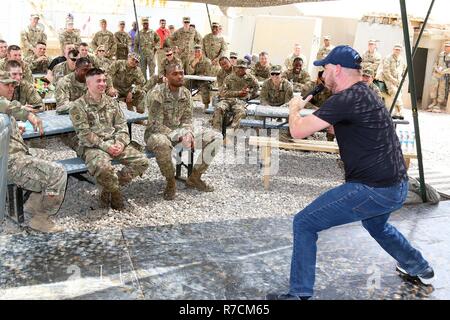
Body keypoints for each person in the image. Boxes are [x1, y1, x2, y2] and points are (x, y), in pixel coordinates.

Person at [266, 45, 434, 300]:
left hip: (374, 189)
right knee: (376, 224)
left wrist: (294, 109)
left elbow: (297, 131)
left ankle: (299, 294)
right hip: (397, 186)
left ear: (336, 69)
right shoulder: (366, 92)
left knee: (304, 223)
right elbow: (339, 124)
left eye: (325, 69)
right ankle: (419, 266)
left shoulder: (346, 99)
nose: (322, 76)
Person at [69, 68, 149, 210]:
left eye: (104, 80)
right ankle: (116, 193)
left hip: (114, 142)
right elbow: (85, 134)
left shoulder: (112, 102)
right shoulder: (78, 106)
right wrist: (107, 147)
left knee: (142, 162)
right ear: (88, 83)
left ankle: (109, 188)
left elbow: (122, 126)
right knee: (104, 168)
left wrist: (120, 143)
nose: (103, 84)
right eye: (98, 81)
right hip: (92, 147)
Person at [0, 71, 66, 232]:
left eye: (13, 84)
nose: (12, 88)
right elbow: (8, 106)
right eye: (7, 84)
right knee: (58, 173)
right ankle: (41, 219)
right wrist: (28, 114)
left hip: (14, 154)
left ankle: (33, 203)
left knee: (48, 157)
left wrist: (15, 131)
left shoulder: (6, 106)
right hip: (7, 162)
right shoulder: (5, 104)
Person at [144, 62, 222, 200]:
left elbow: (187, 119)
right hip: (158, 134)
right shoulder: (157, 93)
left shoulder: (186, 93)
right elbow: (155, 124)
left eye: (181, 73)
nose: (179, 76)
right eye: (175, 74)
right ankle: (170, 182)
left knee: (216, 137)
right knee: (161, 143)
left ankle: (195, 177)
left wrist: (188, 133)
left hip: (180, 133)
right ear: (166, 76)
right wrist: (180, 137)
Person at [211, 59, 259, 132]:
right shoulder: (229, 78)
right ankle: (216, 131)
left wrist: (249, 95)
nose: (241, 70)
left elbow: (256, 88)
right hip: (226, 100)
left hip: (240, 101)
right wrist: (238, 93)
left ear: (246, 68)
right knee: (219, 108)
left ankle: (232, 132)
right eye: (239, 67)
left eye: (243, 68)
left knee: (241, 112)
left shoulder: (250, 78)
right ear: (235, 67)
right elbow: (223, 93)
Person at [380, 44, 406, 119]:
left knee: (399, 94)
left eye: (399, 50)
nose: (397, 51)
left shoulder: (401, 59)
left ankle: (396, 113)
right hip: (389, 80)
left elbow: (404, 69)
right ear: (393, 49)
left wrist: (402, 79)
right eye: (396, 49)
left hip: (398, 80)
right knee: (395, 92)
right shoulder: (388, 58)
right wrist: (393, 80)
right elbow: (386, 71)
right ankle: (401, 110)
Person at [187, 44, 213, 109]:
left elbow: (209, 73)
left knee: (205, 87)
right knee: (185, 84)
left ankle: (206, 105)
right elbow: (189, 73)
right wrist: (193, 65)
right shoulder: (192, 60)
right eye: (195, 51)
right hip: (194, 80)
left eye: (199, 51)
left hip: (204, 80)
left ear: (202, 52)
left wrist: (204, 75)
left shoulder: (207, 61)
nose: (197, 53)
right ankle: (186, 103)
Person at [427, 41, 450, 113]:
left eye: (448, 46)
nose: (446, 48)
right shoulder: (441, 54)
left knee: (441, 89)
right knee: (433, 87)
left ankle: (438, 104)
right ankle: (434, 101)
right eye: (445, 46)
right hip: (436, 74)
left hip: (444, 75)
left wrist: (443, 72)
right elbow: (435, 63)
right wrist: (436, 69)